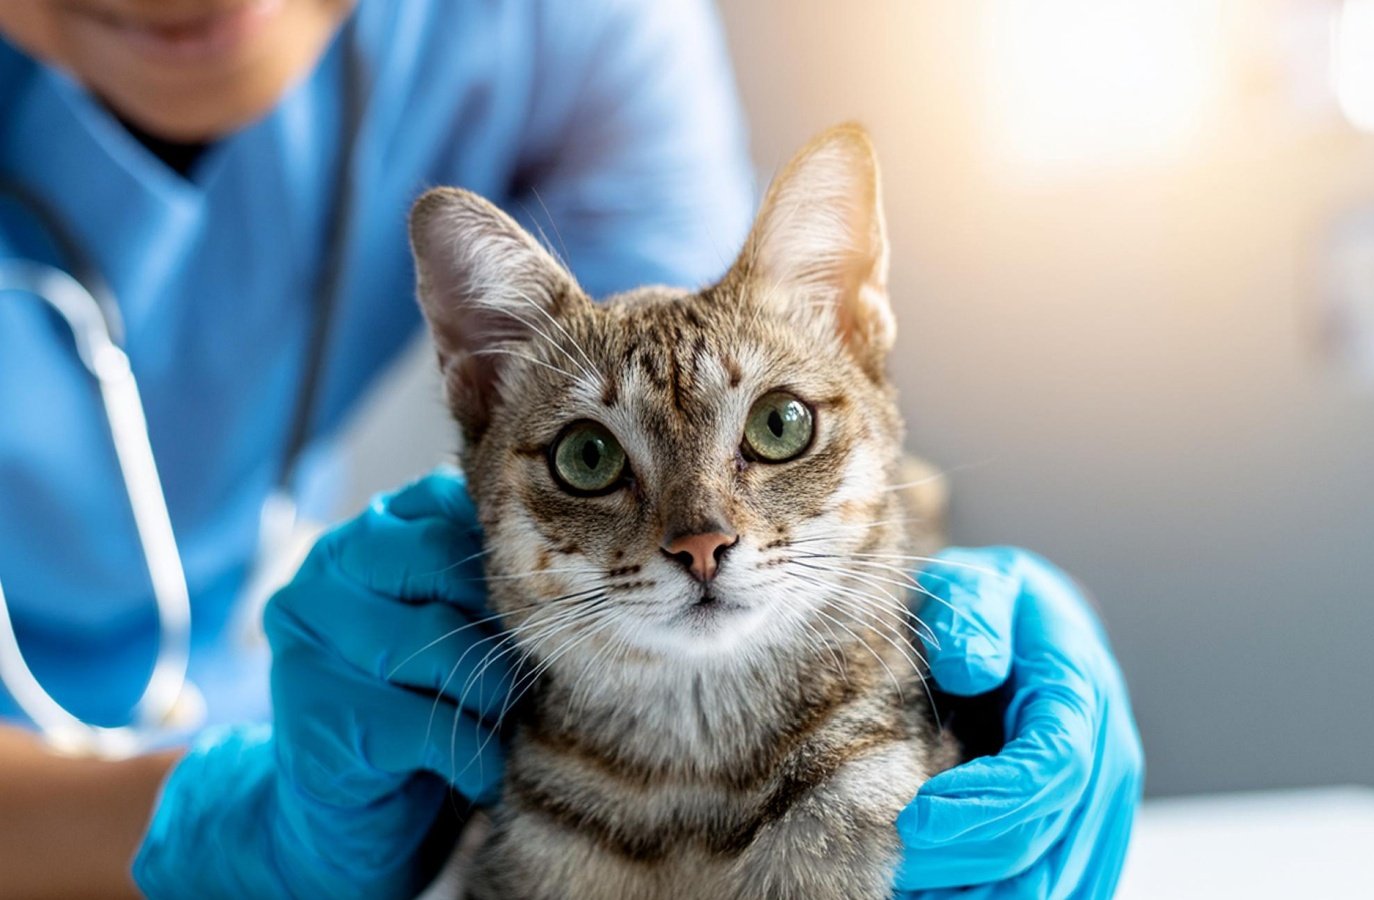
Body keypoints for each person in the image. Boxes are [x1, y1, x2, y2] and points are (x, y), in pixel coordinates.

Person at [0, 1, 1143, 897]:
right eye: (599, 463)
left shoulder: (563, 15)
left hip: (245, 701)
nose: (699, 534)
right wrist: (216, 823)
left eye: (774, 435)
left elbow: (683, 352)